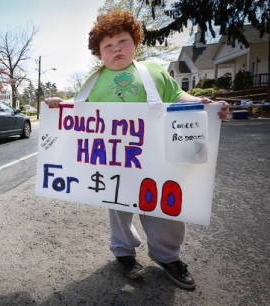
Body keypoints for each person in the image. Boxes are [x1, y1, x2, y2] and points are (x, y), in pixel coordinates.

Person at [44, 9, 229, 290]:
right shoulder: (93, 80)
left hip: (156, 161)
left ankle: (167, 256)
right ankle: (124, 253)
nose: (116, 49)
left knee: (165, 209)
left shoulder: (153, 72)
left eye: (123, 42)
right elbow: (76, 109)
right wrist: (59, 104)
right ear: (99, 53)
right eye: (108, 46)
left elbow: (177, 96)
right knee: (117, 208)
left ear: (135, 43)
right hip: (113, 163)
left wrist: (204, 105)